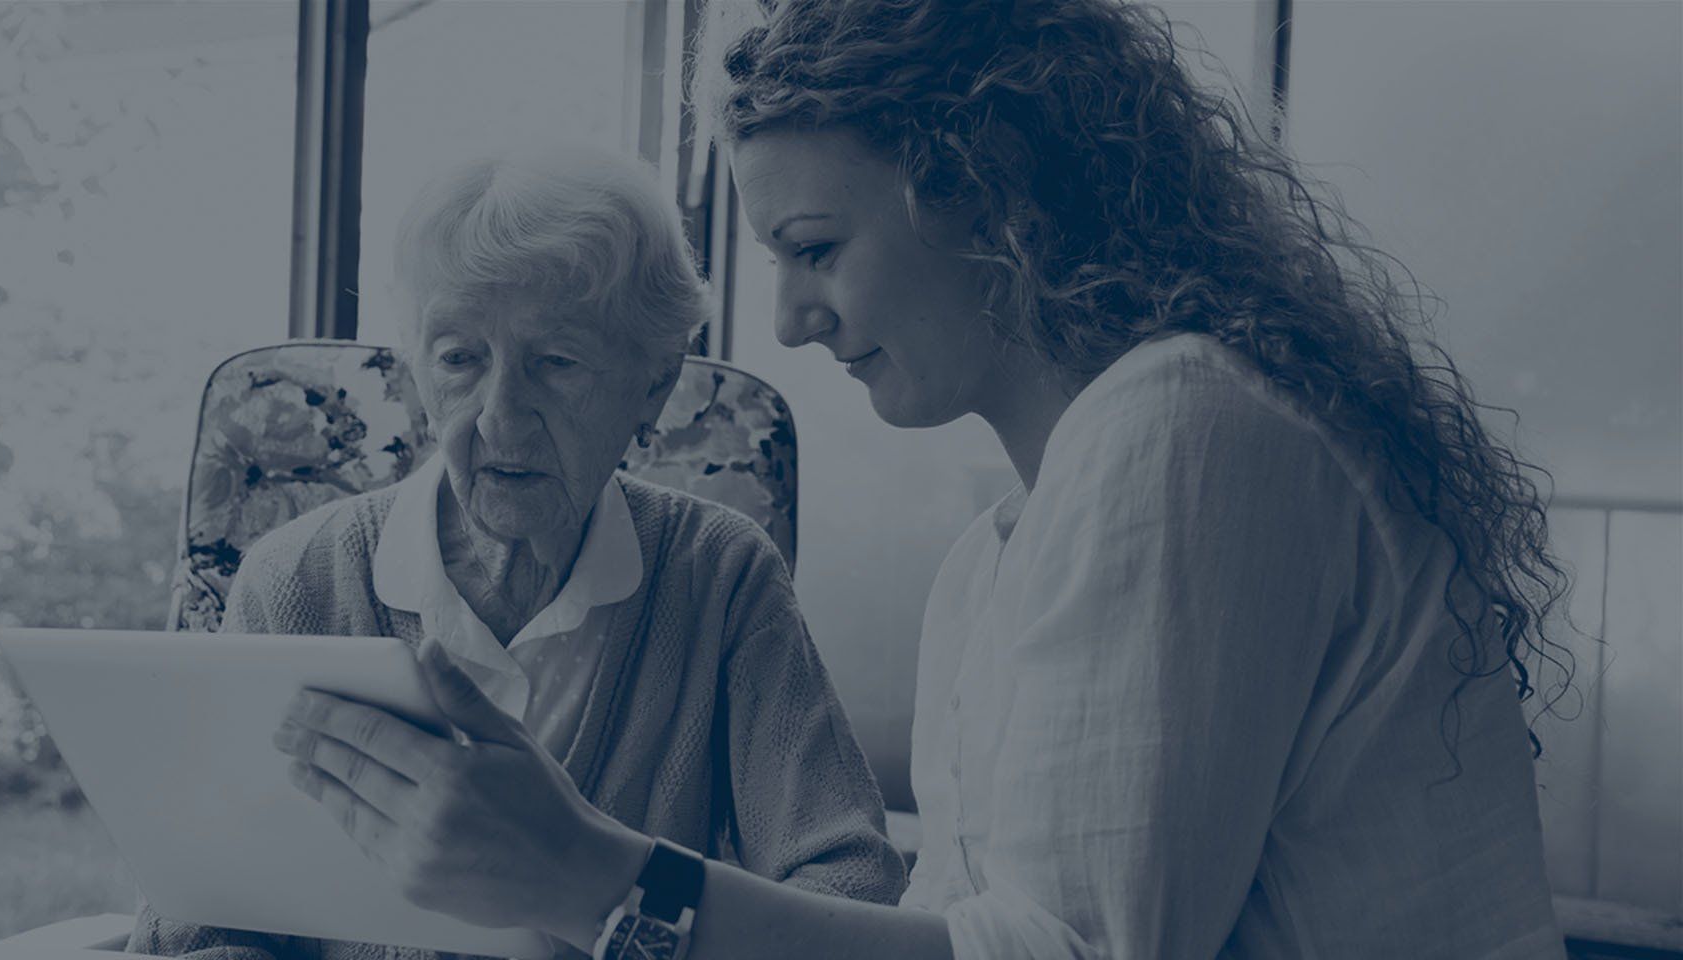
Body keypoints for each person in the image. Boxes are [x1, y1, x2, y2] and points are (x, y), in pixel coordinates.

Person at [267, 2, 1574, 958]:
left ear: (989, 191)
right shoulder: (997, 561)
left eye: (815, 247)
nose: (785, 322)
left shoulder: (1184, 431)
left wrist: (596, 882)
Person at [128, 145, 906, 960]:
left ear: (654, 383)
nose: (500, 416)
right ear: (418, 370)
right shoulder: (294, 582)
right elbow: (202, 923)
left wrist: (621, 910)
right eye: (461, 358)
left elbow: (848, 885)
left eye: (556, 363)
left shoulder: (721, 576)